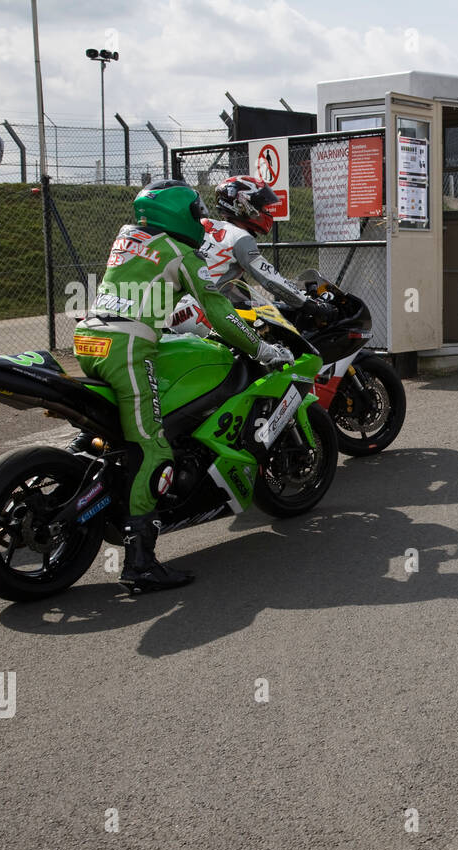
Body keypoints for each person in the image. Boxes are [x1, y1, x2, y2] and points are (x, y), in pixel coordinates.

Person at [74, 180, 291, 592]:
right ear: (180, 214)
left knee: (116, 430)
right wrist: (263, 350)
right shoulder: (183, 255)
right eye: (195, 212)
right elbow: (221, 314)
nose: (200, 219)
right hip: (127, 348)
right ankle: (140, 562)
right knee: (152, 448)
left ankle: (84, 466)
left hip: (90, 339)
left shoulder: (127, 237)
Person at [167, 175, 337, 334]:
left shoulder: (205, 225)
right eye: (261, 205)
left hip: (174, 307)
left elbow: (223, 276)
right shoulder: (240, 237)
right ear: (244, 205)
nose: (265, 211)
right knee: (264, 348)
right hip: (200, 314)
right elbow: (269, 278)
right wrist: (309, 304)